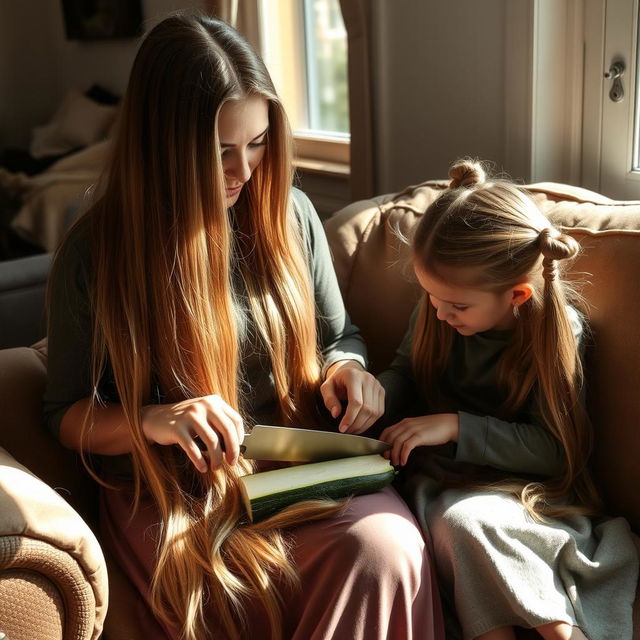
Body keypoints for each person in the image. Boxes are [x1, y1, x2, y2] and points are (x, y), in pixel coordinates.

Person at [42, 12, 444, 640]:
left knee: (384, 549)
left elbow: (340, 338)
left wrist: (349, 370)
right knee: (229, 595)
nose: (246, 171)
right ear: (163, 145)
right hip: (174, 493)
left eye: (258, 142)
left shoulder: (289, 213)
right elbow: (64, 412)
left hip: (299, 470)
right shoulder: (97, 252)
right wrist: (156, 418)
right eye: (221, 150)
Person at [378, 159, 639, 640]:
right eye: (430, 296)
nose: (438, 312)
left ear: (517, 295)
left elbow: (557, 451)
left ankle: (563, 632)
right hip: (441, 484)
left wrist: (456, 426)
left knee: (468, 523)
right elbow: (405, 375)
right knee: (452, 522)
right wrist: (374, 394)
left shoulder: (554, 334)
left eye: (455, 305)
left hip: (530, 497)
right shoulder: (436, 310)